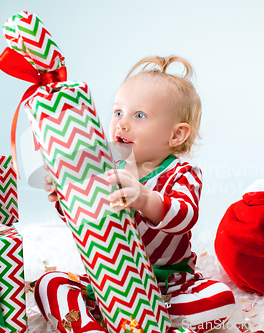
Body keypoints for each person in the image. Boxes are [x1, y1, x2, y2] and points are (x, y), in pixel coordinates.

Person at [35, 56, 235, 333]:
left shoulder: (182, 173)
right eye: (117, 112)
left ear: (176, 135)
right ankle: (88, 326)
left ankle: (154, 323)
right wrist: (66, 197)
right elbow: (89, 222)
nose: (122, 124)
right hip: (110, 284)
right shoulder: (105, 170)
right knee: (49, 284)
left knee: (220, 299)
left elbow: (185, 216)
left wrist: (143, 199)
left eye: (139, 115)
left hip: (170, 287)